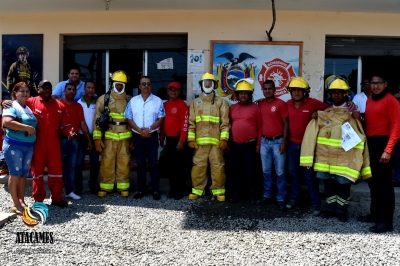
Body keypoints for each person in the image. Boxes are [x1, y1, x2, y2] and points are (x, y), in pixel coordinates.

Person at [2, 80, 68, 208]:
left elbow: (63, 126)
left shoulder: (60, 105)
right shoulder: (31, 102)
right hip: (37, 142)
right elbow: (15, 104)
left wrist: (69, 132)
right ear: (38, 89)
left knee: (56, 171)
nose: (47, 90)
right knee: (36, 172)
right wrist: (3, 102)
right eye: (44, 88)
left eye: (49, 88)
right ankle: (38, 199)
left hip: (53, 143)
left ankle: (57, 198)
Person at [318, 76, 365, 222]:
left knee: (343, 185)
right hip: (328, 157)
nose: (336, 95)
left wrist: (359, 118)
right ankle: (330, 209)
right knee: (329, 185)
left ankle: (341, 211)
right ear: (329, 94)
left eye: (339, 92)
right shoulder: (326, 110)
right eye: (333, 92)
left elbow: (361, 130)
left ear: (345, 94)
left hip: (345, 156)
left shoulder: (352, 109)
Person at [358, 74, 400, 233]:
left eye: (379, 83)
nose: (375, 86)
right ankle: (374, 215)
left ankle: (386, 222)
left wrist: (388, 150)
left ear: (385, 84)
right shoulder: (369, 101)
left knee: (384, 186)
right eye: (373, 83)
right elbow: (370, 123)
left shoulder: (391, 101)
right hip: (371, 144)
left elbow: (397, 126)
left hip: (384, 145)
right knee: (373, 184)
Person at [285, 77, 328, 215]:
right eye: (294, 90)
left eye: (300, 90)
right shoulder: (287, 104)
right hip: (292, 145)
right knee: (293, 174)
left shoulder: (313, 103)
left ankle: (315, 203)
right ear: (290, 92)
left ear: (305, 92)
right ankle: (294, 199)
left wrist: (319, 113)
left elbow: (330, 109)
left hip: (308, 147)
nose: (297, 92)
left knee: (309, 176)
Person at [187, 73, 230, 201]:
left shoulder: (221, 102)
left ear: (214, 85)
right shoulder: (195, 103)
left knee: (218, 166)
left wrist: (224, 139)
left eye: (210, 83)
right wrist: (190, 139)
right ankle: (197, 190)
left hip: (216, 143)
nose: (207, 85)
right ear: (201, 85)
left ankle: (218, 191)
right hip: (200, 143)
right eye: (205, 83)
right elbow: (191, 123)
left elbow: (225, 123)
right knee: (198, 166)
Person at [93, 71, 133, 197]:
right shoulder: (103, 99)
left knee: (124, 161)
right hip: (109, 136)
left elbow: (133, 120)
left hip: (125, 137)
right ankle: (106, 187)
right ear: (112, 85)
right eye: (117, 84)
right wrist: (97, 138)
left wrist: (133, 139)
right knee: (107, 161)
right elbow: (97, 119)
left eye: (122, 85)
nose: (119, 87)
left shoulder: (129, 100)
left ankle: (123, 186)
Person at [125, 76, 165, 200]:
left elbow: (161, 118)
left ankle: (155, 190)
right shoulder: (133, 101)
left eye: (148, 84)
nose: (146, 86)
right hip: (138, 137)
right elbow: (128, 118)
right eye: (143, 84)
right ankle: (140, 189)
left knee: (153, 164)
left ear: (151, 86)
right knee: (140, 164)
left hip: (152, 136)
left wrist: (149, 130)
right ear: (139, 86)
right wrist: (139, 131)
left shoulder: (158, 101)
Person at [2, 82, 37, 214]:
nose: (25, 93)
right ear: (14, 93)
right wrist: (27, 128)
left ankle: (21, 201)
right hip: (14, 146)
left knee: (23, 175)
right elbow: (6, 122)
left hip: (28, 147)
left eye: (27, 91)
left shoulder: (28, 108)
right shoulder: (11, 106)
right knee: (15, 174)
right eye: (21, 91)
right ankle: (15, 204)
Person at [228, 78, 261, 204]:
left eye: (245, 93)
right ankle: (236, 195)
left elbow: (260, 127)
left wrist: (258, 144)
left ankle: (252, 196)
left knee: (250, 171)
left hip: (250, 145)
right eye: (240, 93)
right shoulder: (233, 108)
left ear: (250, 95)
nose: (243, 95)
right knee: (236, 171)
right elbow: (229, 125)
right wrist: (229, 143)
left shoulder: (255, 108)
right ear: (237, 95)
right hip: (235, 145)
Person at [257, 80, 288, 211]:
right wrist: (259, 143)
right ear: (262, 90)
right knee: (266, 171)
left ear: (274, 90)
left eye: (270, 89)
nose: (268, 91)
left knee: (280, 172)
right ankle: (267, 195)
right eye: (265, 89)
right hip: (264, 142)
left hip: (278, 142)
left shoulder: (280, 104)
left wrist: (284, 142)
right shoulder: (260, 104)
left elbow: (286, 123)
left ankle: (281, 197)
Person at [59, 83, 93, 200]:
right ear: (64, 91)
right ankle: (57, 191)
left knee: (71, 166)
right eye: (69, 89)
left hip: (74, 140)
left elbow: (82, 124)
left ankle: (69, 191)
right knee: (59, 166)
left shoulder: (78, 106)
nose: (71, 91)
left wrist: (89, 140)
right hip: (61, 140)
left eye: (73, 89)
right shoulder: (58, 104)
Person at [159, 81, 189, 200]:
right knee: (170, 167)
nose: (173, 92)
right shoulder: (165, 105)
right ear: (167, 91)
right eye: (171, 89)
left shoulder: (182, 105)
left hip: (179, 140)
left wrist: (182, 141)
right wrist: (161, 138)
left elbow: (185, 124)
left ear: (179, 92)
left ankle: (180, 191)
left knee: (179, 167)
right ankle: (172, 190)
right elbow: (162, 124)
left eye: (175, 90)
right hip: (169, 140)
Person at [74, 81, 100, 194]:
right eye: (88, 87)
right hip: (81, 137)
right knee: (79, 163)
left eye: (93, 88)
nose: (90, 90)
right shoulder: (78, 103)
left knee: (95, 162)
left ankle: (93, 185)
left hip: (94, 136)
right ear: (84, 89)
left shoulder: (98, 103)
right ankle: (78, 187)